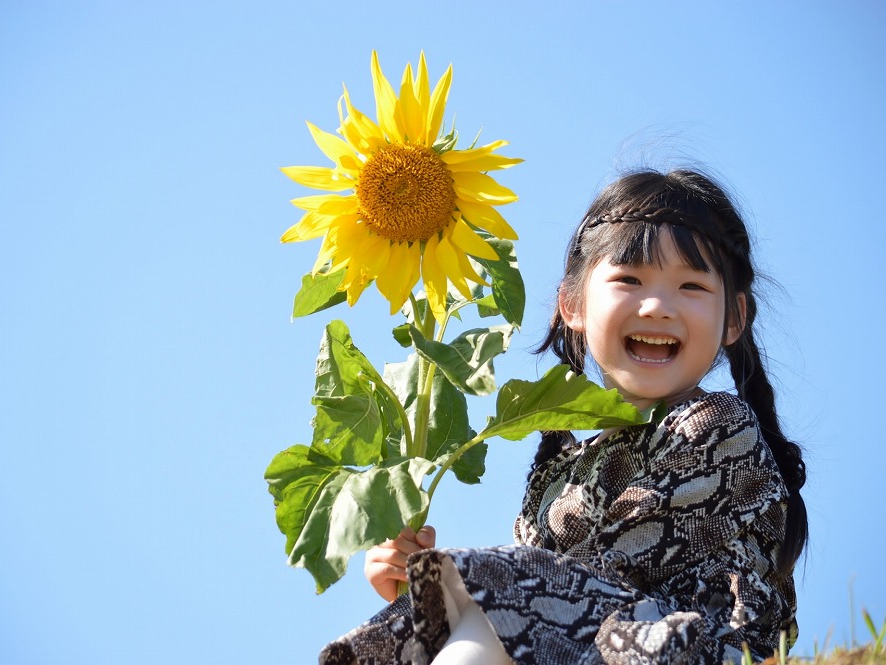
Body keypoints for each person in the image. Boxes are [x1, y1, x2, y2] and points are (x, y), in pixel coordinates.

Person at [319, 169, 808, 664]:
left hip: (681, 648)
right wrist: (412, 588)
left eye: (691, 285)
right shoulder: (555, 474)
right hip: (588, 643)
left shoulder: (717, 427)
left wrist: (453, 588)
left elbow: (597, 571)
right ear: (572, 303)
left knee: (492, 594)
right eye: (629, 280)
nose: (658, 305)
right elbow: (532, 608)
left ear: (734, 318)